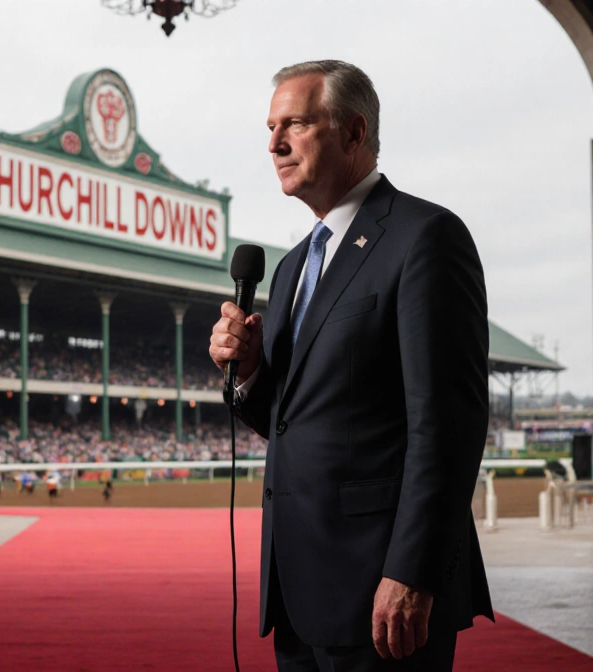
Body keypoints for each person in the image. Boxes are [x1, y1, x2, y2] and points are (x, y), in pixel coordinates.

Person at [209, 60, 492, 671]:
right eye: (270, 127)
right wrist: (252, 371)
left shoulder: (425, 237)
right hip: (296, 586)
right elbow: (289, 422)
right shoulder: (288, 269)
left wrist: (411, 572)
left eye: (295, 124)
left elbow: (447, 425)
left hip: (382, 591)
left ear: (354, 133)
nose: (274, 143)